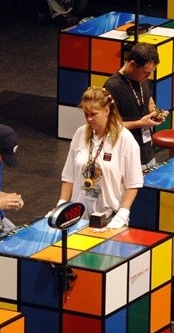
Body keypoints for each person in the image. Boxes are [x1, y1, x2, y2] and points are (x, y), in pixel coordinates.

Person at [57, 87, 144, 229]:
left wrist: (123, 212)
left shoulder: (125, 139)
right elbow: (68, 176)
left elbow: (133, 183)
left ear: (106, 111)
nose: (89, 119)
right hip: (78, 216)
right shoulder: (80, 134)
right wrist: (61, 204)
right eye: (86, 114)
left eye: (93, 114)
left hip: (110, 218)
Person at [104, 42, 169, 170]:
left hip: (147, 153)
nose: (148, 76)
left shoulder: (141, 79)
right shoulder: (112, 87)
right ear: (133, 65)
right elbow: (108, 126)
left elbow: (148, 100)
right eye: (146, 72)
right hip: (126, 157)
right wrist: (140, 123)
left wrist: (156, 112)